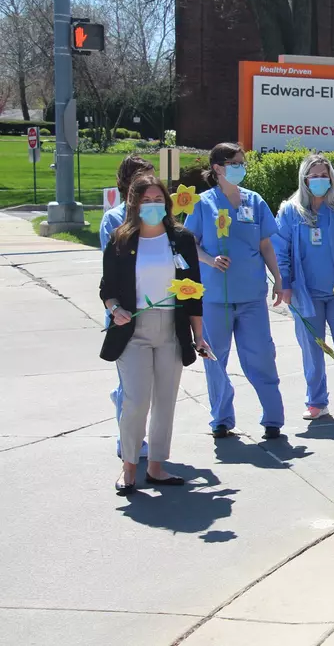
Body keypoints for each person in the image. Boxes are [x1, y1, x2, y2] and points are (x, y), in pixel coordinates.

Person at [100, 175, 210, 494]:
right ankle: (129, 467)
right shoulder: (121, 240)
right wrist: (114, 308)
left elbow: (193, 294)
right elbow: (107, 289)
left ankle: (157, 467)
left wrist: (198, 336)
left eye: (157, 199)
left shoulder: (181, 239)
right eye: (146, 200)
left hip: (171, 330)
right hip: (133, 330)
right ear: (134, 204)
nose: (153, 205)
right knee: (136, 400)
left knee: (165, 400)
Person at [184, 143, 286, 440]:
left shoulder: (254, 202)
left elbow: (266, 244)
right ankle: (221, 418)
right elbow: (191, 243)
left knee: (261, 356)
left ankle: (273, 418)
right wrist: (210, 260)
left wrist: (278, 279)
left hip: (252, 296)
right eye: (235, 162)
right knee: (215, 359)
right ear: (217, 168)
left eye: (242, 162)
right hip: (216, 297)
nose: (240, 167)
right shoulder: (204, 204)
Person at [273, 154, 334, 420]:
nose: (319, 180)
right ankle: (316, 401)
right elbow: (280, 250)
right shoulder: (290, 212)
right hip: (306, 295)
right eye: (314, 175)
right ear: (305, 179)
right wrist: (285, 284)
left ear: (331, 178)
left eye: (323, 175)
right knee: (312, 351)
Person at [100, 155, 155, 460]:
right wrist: (114, 307)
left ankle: (120, 399)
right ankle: (129, 445)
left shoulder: (157, 215)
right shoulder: (114, 219)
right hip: (124, 308)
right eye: (140, 178)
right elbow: (109, 269)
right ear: (126, 184)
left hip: (154, 305)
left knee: (142, 385)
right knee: (132, 386)